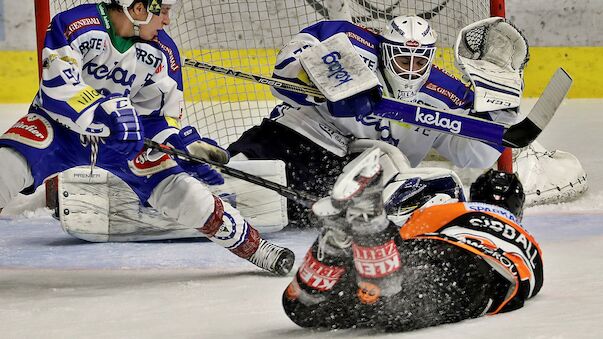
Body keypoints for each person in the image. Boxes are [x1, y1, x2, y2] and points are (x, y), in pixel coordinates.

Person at [0, 0, 294, 275]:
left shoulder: (163, 52)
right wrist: (103, 112)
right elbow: (57, 86)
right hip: (59, 128)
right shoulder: (76, 23)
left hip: (123, 143)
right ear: (137, 7)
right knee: (6, 165)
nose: (167, 20)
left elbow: (159, 116)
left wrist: (177, 143)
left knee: (183, 191)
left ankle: (257, 249)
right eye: (162, 10)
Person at [228, 15, 528, 226]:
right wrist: (336, 84)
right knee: (218, 185)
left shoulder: (447, 95)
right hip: (295, 141)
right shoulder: (346, 38)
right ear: (385, 50)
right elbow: (284, 75)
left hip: (363, 177)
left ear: (431, 57)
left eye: (419, 60)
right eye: (402, 58)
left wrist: (498, 109)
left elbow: (472, 152)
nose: (410, 69)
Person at [282, 147, 543, 331]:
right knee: (398, 308)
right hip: (477, 272)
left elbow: (406, 239)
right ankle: (367, 224)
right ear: (518, 210)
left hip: (432, 250)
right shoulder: (529, 243)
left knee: (305, 310)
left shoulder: (452, 209)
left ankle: (337, 245)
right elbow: (528, 286)